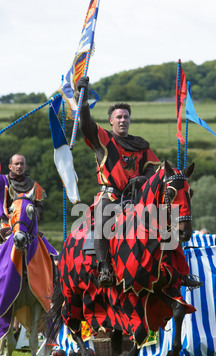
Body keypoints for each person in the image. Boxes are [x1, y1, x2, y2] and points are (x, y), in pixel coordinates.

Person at [76, 76, 161, 287]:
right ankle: (104, 267)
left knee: (167, 220)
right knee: (103, 218)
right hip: (111, 195)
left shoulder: (141, 146)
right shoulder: (103, 139)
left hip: (137, 197)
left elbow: (153, 172)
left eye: (126, 117)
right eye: (119, 117)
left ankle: (170, 267)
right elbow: (85, 125)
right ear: (111, 121)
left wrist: (144, 178)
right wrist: (83, 98)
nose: (123, 120)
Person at [0, 153, 46, 299]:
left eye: (21, 164)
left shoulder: (34, 186)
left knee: (48, 251)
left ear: (25, 166)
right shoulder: (2, 181)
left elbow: (39, 206)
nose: (19, 166)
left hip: (28, 228)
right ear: (10, 166)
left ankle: (52, 280)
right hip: (6, 226)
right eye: (16, 164)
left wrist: (34, 215)